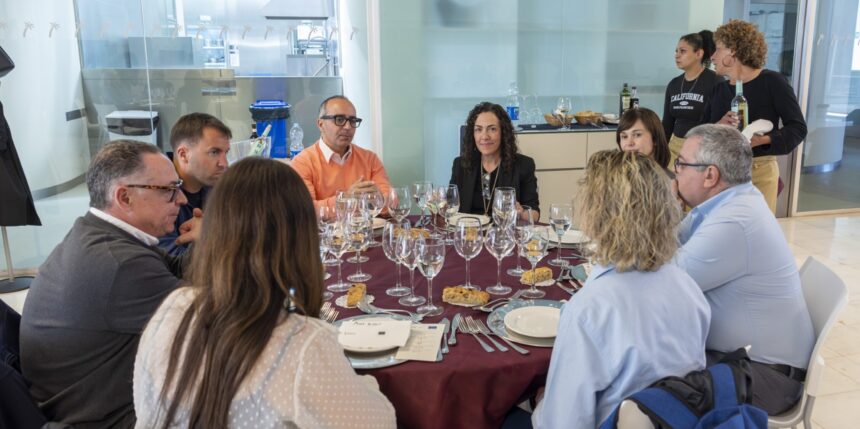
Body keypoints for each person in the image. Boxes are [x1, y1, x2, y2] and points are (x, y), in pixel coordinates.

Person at [134, 157, 396, 428]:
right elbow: (380, 423)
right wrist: (367, 384)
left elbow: (146, 410)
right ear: (302, 237)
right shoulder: (303, 344)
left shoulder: (170, 310)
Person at [20, 140, 196, 428]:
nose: (182, 199)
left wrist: (210, 237)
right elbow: (215, 317)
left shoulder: (100, 233)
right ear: (125, 197)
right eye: (168, 190)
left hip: (84, 400)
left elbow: (177, 270)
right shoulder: (119, 263)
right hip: (108, 418)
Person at [533, 151, 710, 428]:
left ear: (597, 215)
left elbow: (562, 423)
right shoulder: (687, 287)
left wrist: (541, 402)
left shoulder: (589, 310)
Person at [673, 124, 814, 415]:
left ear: (710, 175)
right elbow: (668, 244)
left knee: (642, 382)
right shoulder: (725, 204)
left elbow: (666, 284)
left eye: (681, 164)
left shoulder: (735, 221)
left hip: (762, 375)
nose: (676, 173)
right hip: (737, 360)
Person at [704, 19, 807, 213]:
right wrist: (718, 125)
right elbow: (703, 133)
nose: (712, 56)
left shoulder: (772, 82)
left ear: (733, 51)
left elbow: (798, 128)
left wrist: (760, 140)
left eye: (717, 49)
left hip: (760, 172)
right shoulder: (718, 89)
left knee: (756, 230)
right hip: (723, 172)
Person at [290, 95, 391, 211]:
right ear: (320, 124)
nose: (347, 127)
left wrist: (377, 199)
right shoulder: (302, 163)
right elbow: (305, 210)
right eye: (339, 120)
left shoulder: (369, 159)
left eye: (353, 121)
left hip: (366, 223)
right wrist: (346, 199)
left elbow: (391, 203)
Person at [450, 102, 540, 221]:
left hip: (505, 231)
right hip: (469, 231)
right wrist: (439, 205)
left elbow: (535, 214)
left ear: (503, 132)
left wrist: (522, 213)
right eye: (478, 129)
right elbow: (450, 205)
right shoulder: (460, 164)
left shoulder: (524, 165)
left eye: (492, 129)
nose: (484, 136)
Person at [158, 112, 232, 256]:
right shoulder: (156, 192)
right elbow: (171, 261)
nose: (224, 164)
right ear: (184, 155)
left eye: (226, 153)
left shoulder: (216, 185)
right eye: (214, 152)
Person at [662, 30, 721, 168]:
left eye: (682, 51)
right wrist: (660, 153)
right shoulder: (674, 84)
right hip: (674, 150)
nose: (677, 55)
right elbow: (667, 125)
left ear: (698, 54)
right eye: (676, 51)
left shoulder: (716, 81)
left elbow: (719, 124)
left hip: (703, 150)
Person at [616, 107, 672, 175]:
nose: (629, 143)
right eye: (624, 136)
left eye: (637, 135)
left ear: (655, 138)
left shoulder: (670, 179)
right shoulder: (614, 174)